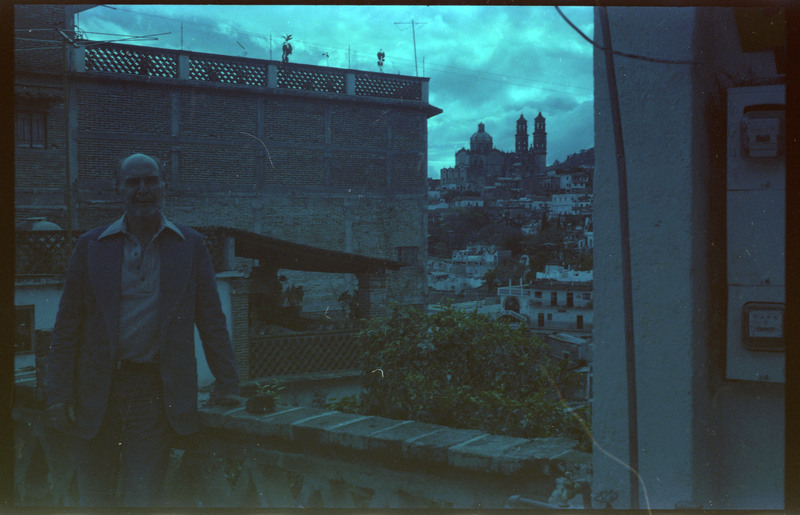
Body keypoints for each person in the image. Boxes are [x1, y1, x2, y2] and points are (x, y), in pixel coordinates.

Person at [46, 153, 241, 507]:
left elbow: (212, 321)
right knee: (94, 500)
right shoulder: (92, 246)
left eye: (151, 181)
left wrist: (228, 384)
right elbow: (66, 327)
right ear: (118, 190)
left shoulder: (190, 246)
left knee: (142, 498)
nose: (143, 190)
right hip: (94, 394)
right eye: (133, 182)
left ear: (163, 187)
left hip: (153, 396)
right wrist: (58, 393)